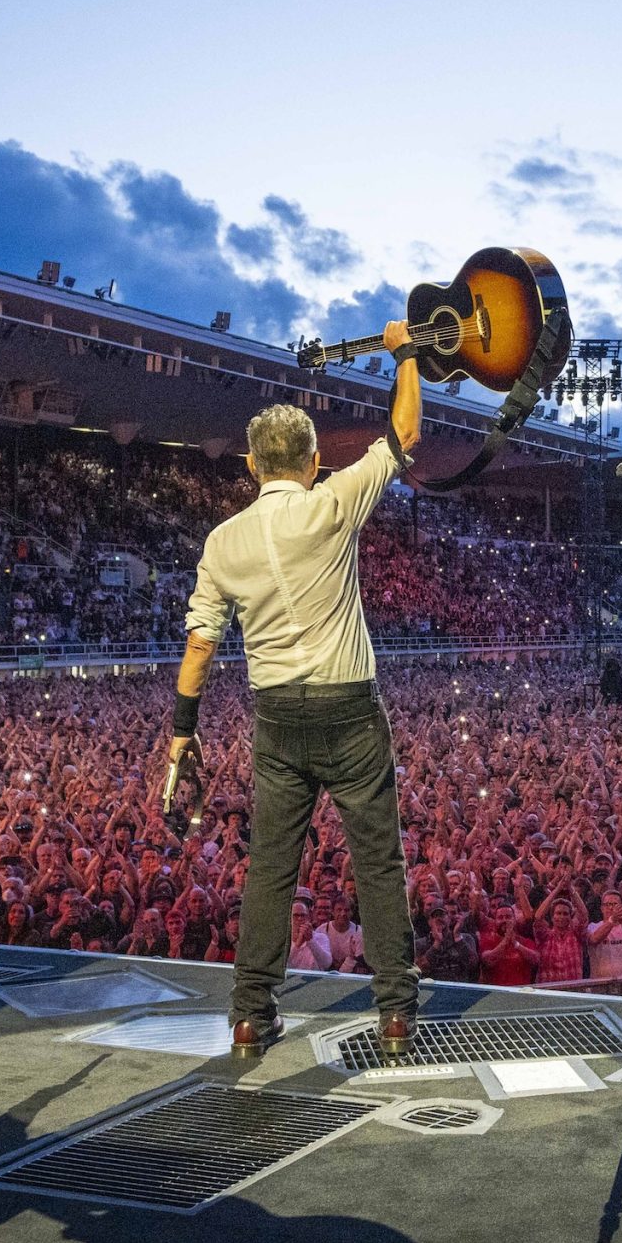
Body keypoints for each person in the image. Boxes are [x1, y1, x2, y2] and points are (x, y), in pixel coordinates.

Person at [167, 329, 423, 1059]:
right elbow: (404, 430)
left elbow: (200, 645)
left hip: (275, 717)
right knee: (377, 858)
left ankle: (251, 1014)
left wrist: (182, 731)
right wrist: (405, 351)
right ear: (314, 461)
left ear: (251, 466)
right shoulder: (332, 503)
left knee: (271, 866)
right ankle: (396, 1013)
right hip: (348, 708)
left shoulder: (221, 543)